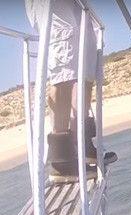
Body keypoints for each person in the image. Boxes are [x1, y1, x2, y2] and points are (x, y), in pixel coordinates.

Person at [25, 0, 114, 183]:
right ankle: (62, 162)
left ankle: (83, 145)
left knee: (86, 72)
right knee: (64, 74)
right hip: (55, 7)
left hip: (78, 6)